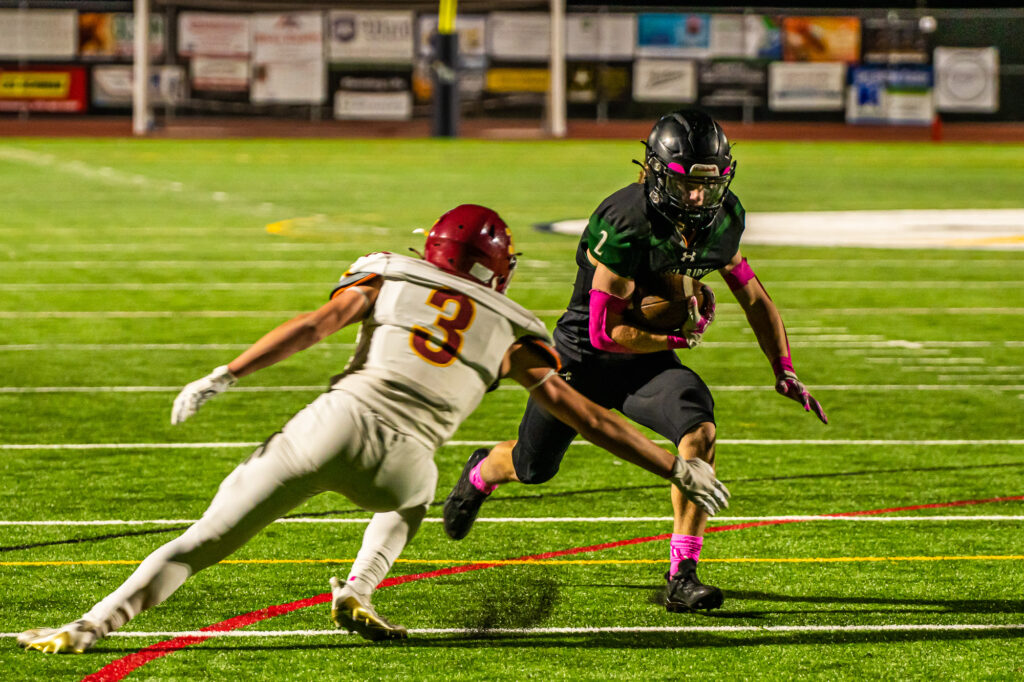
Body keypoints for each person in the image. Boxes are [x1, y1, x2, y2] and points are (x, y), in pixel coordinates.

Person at [19, 204, 729, 654]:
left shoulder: (388, 275)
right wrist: (672, 467)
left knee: (203, 540)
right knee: (406, 502)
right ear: (498, 268)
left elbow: (311, 326)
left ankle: (89, 627)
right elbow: (589, 416)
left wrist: (226, 374)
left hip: (331, 426)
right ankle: (359, 587)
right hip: (407, 461)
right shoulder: (516, 329)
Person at [443, 110, 827, 614]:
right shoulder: (626, 220)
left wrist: (784, 368)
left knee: (700, 433)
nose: (696, 198)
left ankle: (683, 573)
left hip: (646, 361)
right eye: (686, 184)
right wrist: (676, 335)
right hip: (583, 357)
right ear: (656, 173)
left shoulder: (724, 216)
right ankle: (481, 472)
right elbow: (606, 333)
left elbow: (753, 296)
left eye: (707, 186)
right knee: (532, 467)